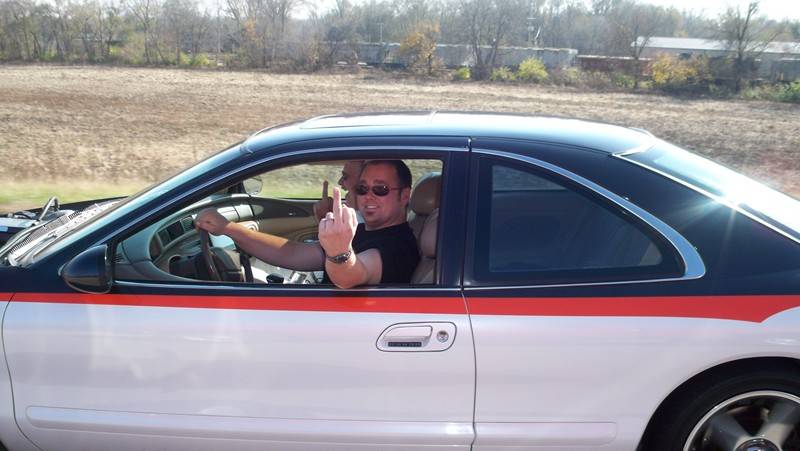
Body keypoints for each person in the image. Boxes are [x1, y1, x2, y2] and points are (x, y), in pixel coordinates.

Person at [195, 160, 419, 288]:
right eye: (362, 188)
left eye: (380, 189)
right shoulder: (361, 231)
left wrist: (339, 251)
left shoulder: (399, 247)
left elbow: (352, 276)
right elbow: (292, 253)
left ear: (404, 195)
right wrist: (229, 228)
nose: (368, 196)